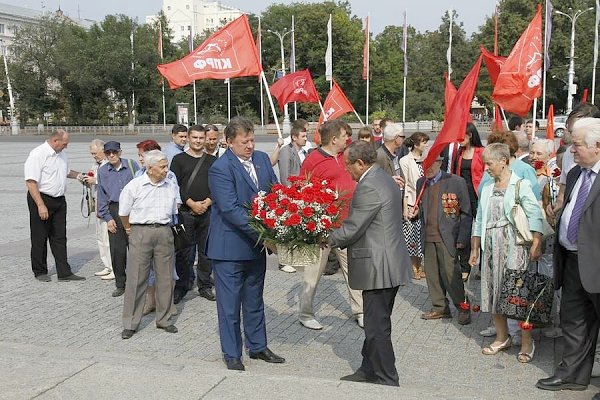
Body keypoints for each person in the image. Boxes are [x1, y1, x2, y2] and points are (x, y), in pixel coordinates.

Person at [329, 141, 411, 386]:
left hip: (380, 267)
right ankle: (368, 370)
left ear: (360, 163)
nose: (347, 171)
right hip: (387, 263)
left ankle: (387, 378)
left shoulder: (369, 185)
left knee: (377, 328)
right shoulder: (382, 176)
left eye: (348, 166)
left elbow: (354, 227)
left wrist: (325, 238)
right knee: (377, 323)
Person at [206, 116, 284, 371]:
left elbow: (274, 194)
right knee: (229, 307)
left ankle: (258, 346)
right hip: (229, 248)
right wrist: (267, 237)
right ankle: (232, 354)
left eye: (252, 140)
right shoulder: (221, 168)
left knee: (254, 300)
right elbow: (230, 210)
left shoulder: (261, 159)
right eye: (244, 142)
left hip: (254, 248)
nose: (249, 146)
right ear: (229, 142)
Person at [536, 118, 600, 395]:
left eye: (576, 146)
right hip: (573, 261)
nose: (571, 151)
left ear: (597, 146)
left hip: (597, 263)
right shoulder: (575, 174)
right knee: (573, 321)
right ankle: (572, 375)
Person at [469, 143, 543, 363]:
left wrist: (536, 244)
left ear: (503, 161)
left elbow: (535, 216)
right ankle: (502, 337)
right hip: (491, 248)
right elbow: (480, 219)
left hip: (514, 247)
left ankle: (528, 342)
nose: (487, 168)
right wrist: (475, 248)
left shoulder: (520, 185)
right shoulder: (488, 188)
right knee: (493, 292)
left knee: (517, 296)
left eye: (489, 164)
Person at [298, 119, 364, 330]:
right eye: (345, 135)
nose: (348, 138)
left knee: (354, 270)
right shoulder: (313, 160)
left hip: (348, 223)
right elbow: (301, 189)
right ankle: (306, 313)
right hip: (322, 227)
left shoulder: (348, 157)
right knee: (313, 272)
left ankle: (360, 311)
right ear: (334, 139)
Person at [119, 150, 180, 339]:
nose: (166, 170)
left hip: (164, 231)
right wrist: (129, 230)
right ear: (150, 168)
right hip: (140, 231)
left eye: (166, 165)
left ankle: (164, 319)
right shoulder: (134, 186)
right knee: (137, 278)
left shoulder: (170, 185)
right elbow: (123, 213)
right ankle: (131, 323)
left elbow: (175, 208)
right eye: (162, 167)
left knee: (166, 278)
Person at [416, 155, 472, 325]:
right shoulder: (421, 183)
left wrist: (462, 238)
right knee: (432, 274)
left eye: (432, 163)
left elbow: (466, 213)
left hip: (448, 237)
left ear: (440, 163)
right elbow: (422, 210)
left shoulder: (456, 182)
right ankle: (440, 307)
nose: (428, 168)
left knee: (451, 274)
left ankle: (463, 307)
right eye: (424, 165)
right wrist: (414, 215)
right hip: (428, 235)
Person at [24, 129, 86, 282]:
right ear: (55, 141)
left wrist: (79, 175)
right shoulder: (37, 154)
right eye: (65, 144)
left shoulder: (61, 154)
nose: (66, 147)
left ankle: (64, 272)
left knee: (60, 237)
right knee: (40, 236)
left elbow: (66, 171)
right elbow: (31, 182)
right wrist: (40, 205)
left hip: (59, 200)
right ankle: (40, 271)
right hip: (41, 198)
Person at [133, 140, 180, 316]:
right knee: (148, 270)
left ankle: (167, 304)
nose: (139, 158)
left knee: (168, 269)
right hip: (143, 229)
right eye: (139, 155)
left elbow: (177, 201)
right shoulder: (138, 175)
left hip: (165, 226)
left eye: (141, 155)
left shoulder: (169, 176)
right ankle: (150, 301)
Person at [170, 125, 217, 303]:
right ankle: (182, 284)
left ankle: (204, 285)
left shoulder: (211, 161)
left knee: (206, 251)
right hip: (186, 212)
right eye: (195, 137)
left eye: (201, 138)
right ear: (188, 138)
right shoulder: (178, 160)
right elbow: (175, 186)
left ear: (205, 139)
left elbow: (216, 185)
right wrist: (190, 203)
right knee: (185, 251)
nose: (198, 141)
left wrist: (208, 201)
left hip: (207, 210)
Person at [97, 141, 139, 297]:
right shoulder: (103, 171)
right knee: (117, 250)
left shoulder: (131, 165)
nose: (111, 155)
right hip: (114, 209)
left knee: (136, 249)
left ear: (120, 152)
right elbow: (101, 196)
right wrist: (107, 218)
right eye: (108, 153)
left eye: (114, 152)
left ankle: (137, 283)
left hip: (132, 210)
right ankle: (120, 283)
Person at [452, 123, 485, 281]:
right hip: (461, 196)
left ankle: (482, 267)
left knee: (482, 230)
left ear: (470, 135)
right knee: (463, 231)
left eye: (462, 135)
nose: (459, 139)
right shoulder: (459, 152)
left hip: (478, 196)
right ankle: (464, 267)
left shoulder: (481, 152)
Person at [400, 132, 429, 279]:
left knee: (420, 236)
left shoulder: (426, 159)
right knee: (411, 236)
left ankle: (420, 265)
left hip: (425, 201)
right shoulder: (405, 160)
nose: (425, 145)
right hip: (412, 200)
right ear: (416, 144)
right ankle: (413, 267)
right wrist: (405, 206)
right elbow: (405, 184)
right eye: (423, 142)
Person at [86, 139, 113, 279]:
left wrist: (95, 180)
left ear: (103, 150)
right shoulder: (96, 164)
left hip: (106, 205)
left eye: (95, 153)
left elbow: (110, 182)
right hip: (97, 202)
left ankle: (114, 266)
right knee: (100, 237)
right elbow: (93, 175)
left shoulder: (109, 164)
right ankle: (107, 265)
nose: (94, 156)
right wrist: (87, 178)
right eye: (92, 153)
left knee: (108, 237)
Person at [375, 122, 405, 188]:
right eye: (403, 137)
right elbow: (371, 179)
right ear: (396, 138)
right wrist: (389, 180)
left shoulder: (394, 154)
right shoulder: (379, 155)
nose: (403, 139)